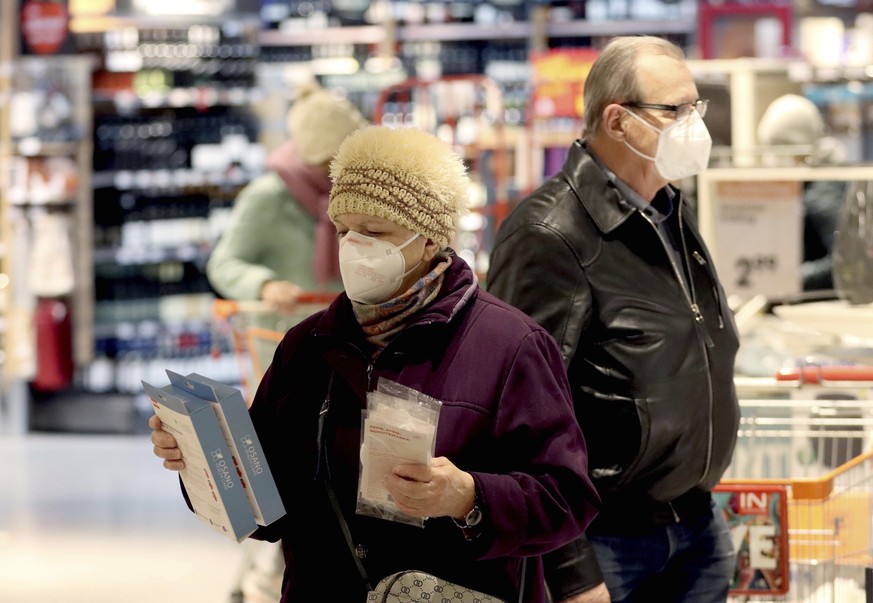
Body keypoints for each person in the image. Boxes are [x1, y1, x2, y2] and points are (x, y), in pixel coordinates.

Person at [151, 125, 601, 602]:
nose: (353, 247)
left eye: (375, 232)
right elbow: (269, 512)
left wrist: (468, 496)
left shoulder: (510, 346)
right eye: (343, 230)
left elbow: (566, 500)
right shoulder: (307, 345)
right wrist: (205, 461)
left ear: (429, 240)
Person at [486, 36, 741, 603]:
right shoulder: (549, 235)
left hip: (694, 525)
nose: (693, 124)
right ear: (618, 122)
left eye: (695, 108)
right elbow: (517, 415)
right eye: (674, 111)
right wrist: (571, 571)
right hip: (604, 541)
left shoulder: (671, 209)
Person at [206, 81, 368, 313]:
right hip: (284, 335)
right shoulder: (268, 197)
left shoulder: (362, 192)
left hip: (347, 336)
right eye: (331, 160)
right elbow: (223, 264)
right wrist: (265, 286)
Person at [756, 93, 848, 292]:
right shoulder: (810, 182)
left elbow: (841, 261)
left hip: (820, 307)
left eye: (777, 146)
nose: (769, 157)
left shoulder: (822, 192)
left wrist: (785, 280)